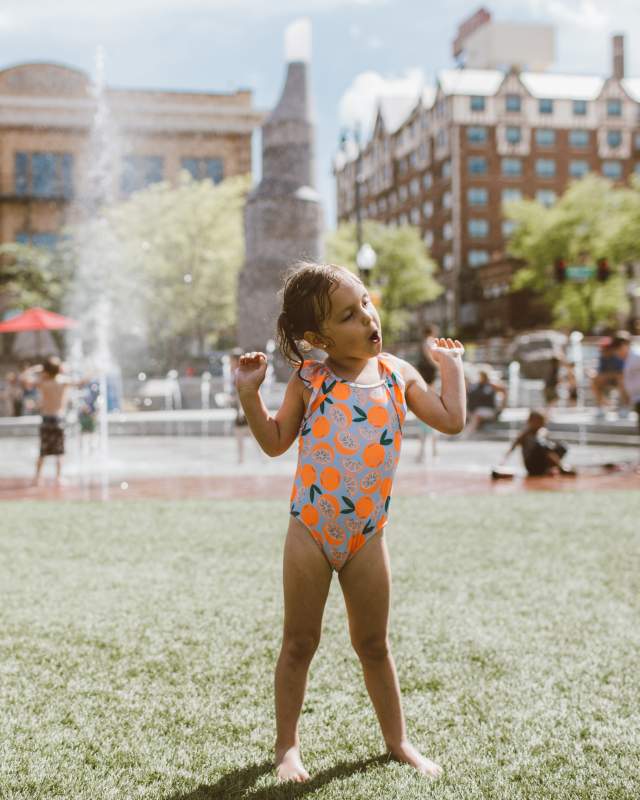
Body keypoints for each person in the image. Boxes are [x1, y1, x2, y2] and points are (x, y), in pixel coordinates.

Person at [235, 262, 466, 783]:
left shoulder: (397, 374)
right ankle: (287, 747)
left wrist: (450, 367)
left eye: (365, 302)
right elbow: (275, 443)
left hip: (367, 535)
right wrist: (250, 394)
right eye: (349, 314)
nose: (367, 317)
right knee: (299, 642)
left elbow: (451, 420)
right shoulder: (309, 378)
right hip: (310, 532)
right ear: (318, 337)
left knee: (374, 645)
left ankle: (399, 741)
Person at [20, 357, 81, 486]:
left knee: (43, 451)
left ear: (45, 370)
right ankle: (59, 477)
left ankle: (37, 477)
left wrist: (35, 368)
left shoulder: (42, 382)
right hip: (59, 419)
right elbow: (80, 382)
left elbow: (24, 379)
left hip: (46, 419)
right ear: (59, 369)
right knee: (60, 451)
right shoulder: (63, 381)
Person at [502, 410, 574, 477]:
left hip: (543, 461)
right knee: (542, 445)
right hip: (532, 464)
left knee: (561, 446)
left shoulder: (543, 432)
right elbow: (512, 448)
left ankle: (554, 467)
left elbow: (550, 448)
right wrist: (502, 463)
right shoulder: (525, 435)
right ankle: (560, 467)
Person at [415, 325, 439, 462]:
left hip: (424, 373)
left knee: (425, 415)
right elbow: (429, 356)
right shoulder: (429, 341)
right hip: (428, 373)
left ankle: (424, 452)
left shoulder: (423, 342)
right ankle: (433, 451)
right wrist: (440, 366)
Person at [591, 334, 630, 415]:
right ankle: (601, 407)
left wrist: (609, 375)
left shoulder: (618, 356)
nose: (603, 351)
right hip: (608, 380)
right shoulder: (602, 358)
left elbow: (622, 373)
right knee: (595, 380)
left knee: (621, 381)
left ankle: (624, 407)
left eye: (605, 349)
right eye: (602, 349)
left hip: (621, 381)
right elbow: (600, 373)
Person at [463, 368, 506, 436]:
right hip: (474, 410)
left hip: (486, 410)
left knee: (477, 415)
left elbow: (504, 390)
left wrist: (502, 406)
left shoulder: (491, 385)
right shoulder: (474, 385)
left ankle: (465, 434)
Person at [229, 347, 249, 464]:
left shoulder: (239, 374)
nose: (229, 364)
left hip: (243, 410)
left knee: (240, 433)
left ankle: (241, 460)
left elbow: (241, 393)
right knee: (245, 434)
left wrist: (241, 409)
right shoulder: (241, 373)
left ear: (236, 361)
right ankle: (241, 459)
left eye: (231, 361)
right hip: (242, 409)